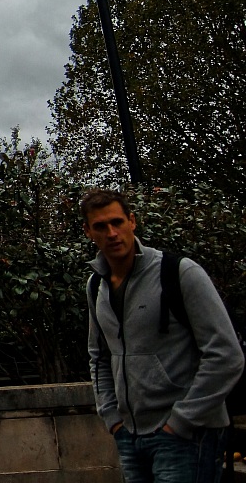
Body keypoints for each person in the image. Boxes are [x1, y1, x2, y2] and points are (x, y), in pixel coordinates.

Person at [82, 189, 244, 483]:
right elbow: (100, 357)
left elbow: (226, 354)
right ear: (88, 232)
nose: (112, 233)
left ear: (132, 221)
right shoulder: (96, 286)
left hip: (187, 435)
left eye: (117, 222)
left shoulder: (179, 272)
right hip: (130, 435)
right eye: (101, 226)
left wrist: (181, 421)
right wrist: (112, 418)